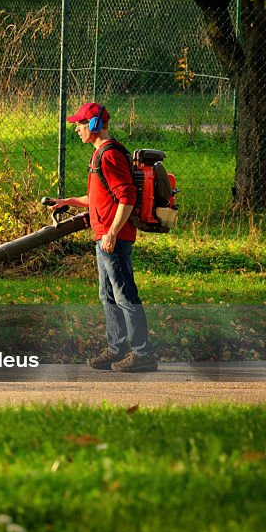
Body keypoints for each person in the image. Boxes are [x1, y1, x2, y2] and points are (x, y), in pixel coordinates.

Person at [49, 102, 157, 373]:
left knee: (124, 295)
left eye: (80, 124)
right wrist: (68, 201)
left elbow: (127, 196)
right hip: (105, 237)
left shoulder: (108, 155)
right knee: (107, 296)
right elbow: (100, 196)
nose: (76, 129)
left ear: (95, 125)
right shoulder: (99, 155)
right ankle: (116, 349)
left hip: (114, 239)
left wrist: (112, 232)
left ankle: (142, 354)